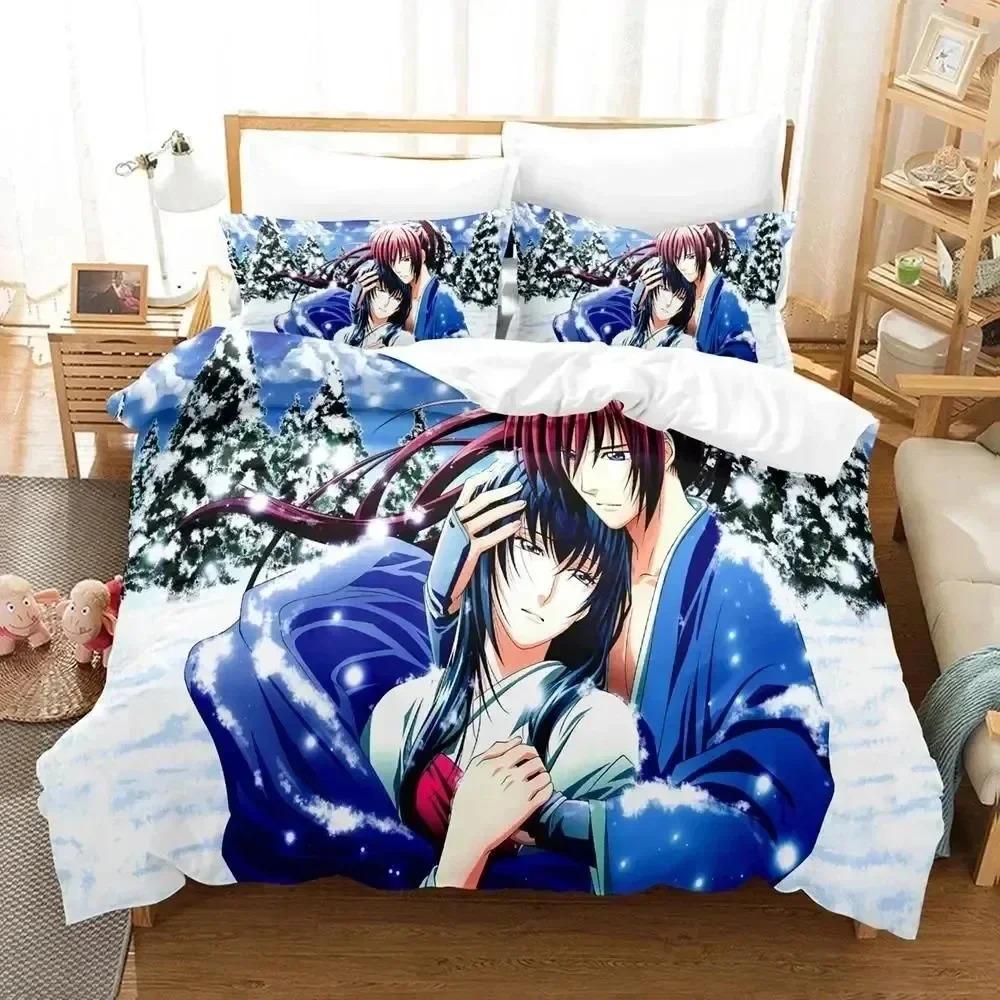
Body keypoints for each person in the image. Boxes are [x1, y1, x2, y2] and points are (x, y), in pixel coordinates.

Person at [505, 404, 833, 893]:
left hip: (639, 850)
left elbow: (781, 777)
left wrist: (573, 824)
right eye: (573, 457)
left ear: (664, 444)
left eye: (612, 455)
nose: (589, 481)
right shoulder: (592, 550)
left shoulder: (735, 581)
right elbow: (492, 669)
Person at [363, 460, 637, 888]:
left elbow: (603, 876)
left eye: (580, 575)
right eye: (531, 548)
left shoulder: (595, 722)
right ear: (486, 544)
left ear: (593, 601)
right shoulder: (402, 711)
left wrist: (549, 819)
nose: (546, 592)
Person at [657, 224, 757, 362]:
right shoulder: (683, 292)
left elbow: (742, 350)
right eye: (677, 258)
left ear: (706, 253)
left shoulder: (728, 295)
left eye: (690, 256)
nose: (682, 266)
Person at [333, 261, 414, 349]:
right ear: (369, 289)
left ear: (400, 306)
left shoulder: (402, 339)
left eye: (396, 298)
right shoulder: (344, 335)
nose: (386, 303)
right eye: (381, 290)